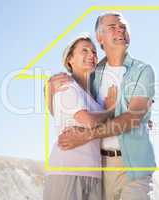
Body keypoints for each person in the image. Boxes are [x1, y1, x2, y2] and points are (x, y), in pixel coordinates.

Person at [48, 12, 156, 200]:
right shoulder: (91, 73)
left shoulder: (142, 70)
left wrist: (87, 135)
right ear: (100, 37)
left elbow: (133, 117)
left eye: (123, 26)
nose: (120, 30)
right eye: (112, 27)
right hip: (100, 167)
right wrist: (48, 90)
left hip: (135, 164)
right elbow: (67, 109)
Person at [44, 33, 116, 200]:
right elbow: (89, 121)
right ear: (70, 59)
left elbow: (112, 127)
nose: (91, 55)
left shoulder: (94, 99)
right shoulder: (65, 86)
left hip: (94, 174)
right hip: (67, 170)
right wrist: (111, 110)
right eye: (84, 51)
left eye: (94, 52)